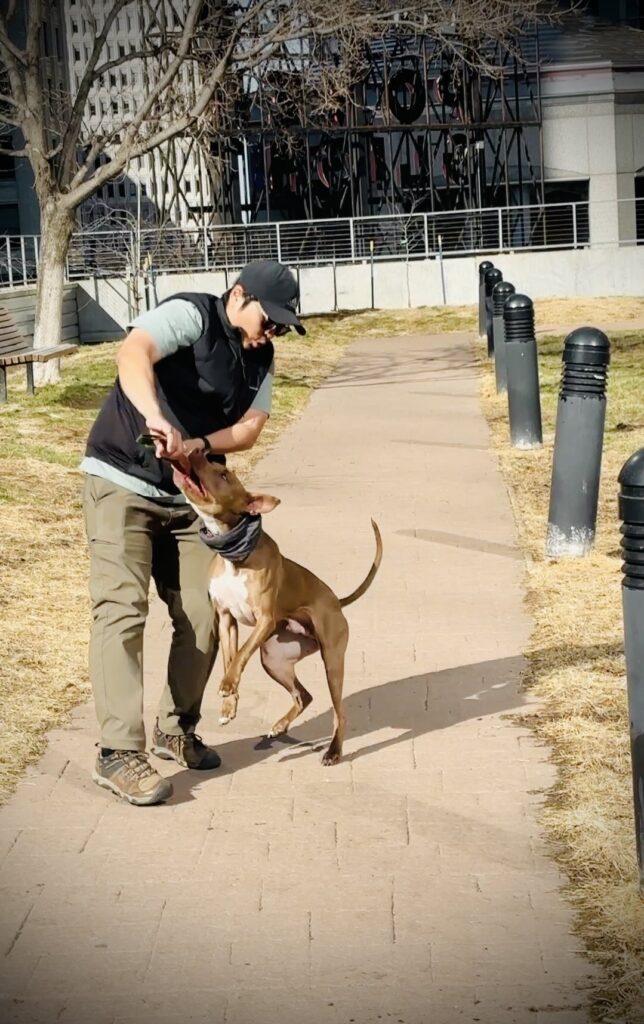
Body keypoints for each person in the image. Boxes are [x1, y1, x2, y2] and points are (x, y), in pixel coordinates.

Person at [81, 259, 306, 806]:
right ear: (238, 296)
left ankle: (174, 728)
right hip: (122, 479)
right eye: (268, 319)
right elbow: (131, 352)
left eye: (281, 324)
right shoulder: (192, 315)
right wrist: (156, 417)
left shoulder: (263, 357)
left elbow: (250, 428)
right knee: (121, 608)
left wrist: (199, 445)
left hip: (191, 502)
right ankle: (117, 752)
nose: (271, 331)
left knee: (206, 613)